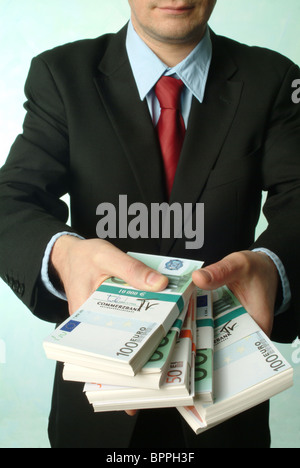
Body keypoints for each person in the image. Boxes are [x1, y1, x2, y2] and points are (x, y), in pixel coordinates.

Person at [0, 0, 299, 448]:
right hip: (96, 402)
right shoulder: (61, 74)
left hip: (226, 398)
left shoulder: (273, 79)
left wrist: (273, 267)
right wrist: (64, 255)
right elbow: (11, 199)